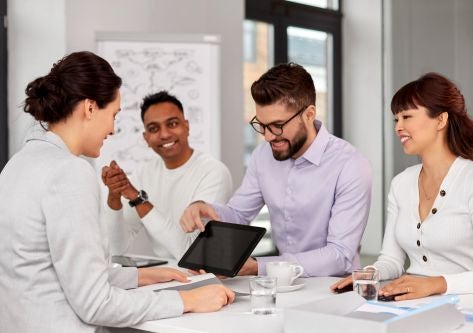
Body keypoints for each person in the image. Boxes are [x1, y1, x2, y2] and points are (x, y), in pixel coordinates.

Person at [0, 51, 234, 333]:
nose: (112, 129)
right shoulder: (69, 171)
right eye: (113, 115)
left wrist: (140, 276)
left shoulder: (17, 164)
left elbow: (56, 272)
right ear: (89, 108)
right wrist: (187, 300)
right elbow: (96, 303)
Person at [180, 63, 372, 277]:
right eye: (261, 125)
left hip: (335, 288)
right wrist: (205, 209)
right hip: (281, 286)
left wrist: (260, 267)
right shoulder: (262, 156)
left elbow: (340, 255)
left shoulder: (350, 164)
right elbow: (238, 214)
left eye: (277, 125)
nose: (268, 136)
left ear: (309, 114)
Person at [331, 72, 473, 300]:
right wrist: (367, 274)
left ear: (440, 120)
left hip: (466, 307)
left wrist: (435, 284)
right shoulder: (401, 183)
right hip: (410, 304)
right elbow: (391, 260)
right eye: (396, 119)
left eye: (407, 117)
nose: (398, 127)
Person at [101, 91, 232, 260]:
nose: (164, 134)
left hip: (205, 275)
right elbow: (116, 248)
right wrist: (114, 196)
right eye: (154, 128)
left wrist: (137, 198)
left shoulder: (214, 172)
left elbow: (191, 252)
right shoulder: (143, 174)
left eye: (172, 123)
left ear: (187, 126)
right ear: (146, 138)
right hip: (163, 277)